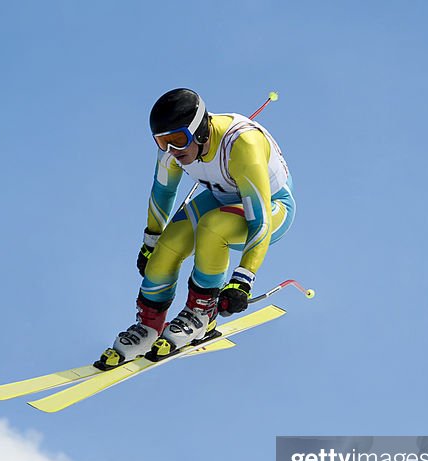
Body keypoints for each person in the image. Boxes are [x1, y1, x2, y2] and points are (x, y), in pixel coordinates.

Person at [96, 88, 296, 370]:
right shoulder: (172, 150)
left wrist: (243, 279)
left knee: (213, 228)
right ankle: (149, 326)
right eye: (162, 141)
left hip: (273, 208)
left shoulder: (242, 144)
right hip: (221, 196)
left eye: (177, 140)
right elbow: (163, 192)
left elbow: (259, 219)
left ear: (200, 131)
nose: (172, 151)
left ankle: (201, 313)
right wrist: (150, 241)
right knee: (167, 248)